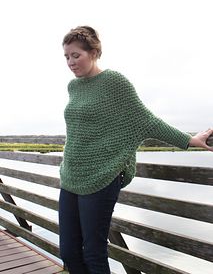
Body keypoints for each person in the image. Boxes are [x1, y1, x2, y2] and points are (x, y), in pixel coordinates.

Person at [59, 25, 213, 274]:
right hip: (71, 176)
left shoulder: (114, 83)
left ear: (94, 52)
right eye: (66, 56)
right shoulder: (73, 87)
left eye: (76, 55)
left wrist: (189, 141)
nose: (70, 62)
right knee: (68, 252)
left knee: (94, 252)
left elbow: (146, 121)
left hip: (101, 177)